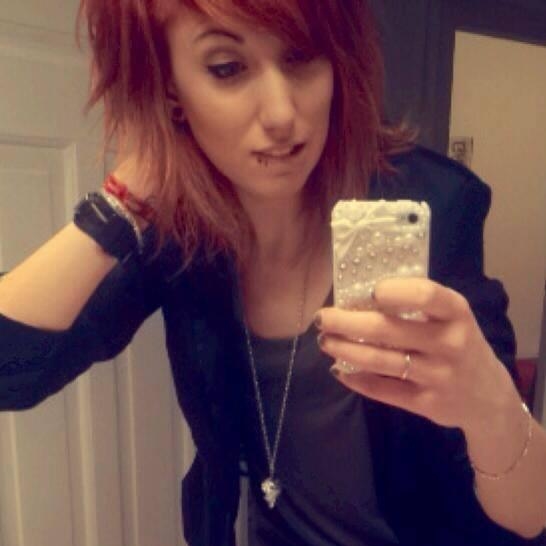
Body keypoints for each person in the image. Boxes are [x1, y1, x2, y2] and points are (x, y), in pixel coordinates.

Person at [0, 1, 545, 544]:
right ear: (170, 88)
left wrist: (491, 406)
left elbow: (529, 516)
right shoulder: (179, 236)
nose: (282, 113)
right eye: (227, 68)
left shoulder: (435, 203)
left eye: (301, 56)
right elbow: (11, 371)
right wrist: (125, 197)